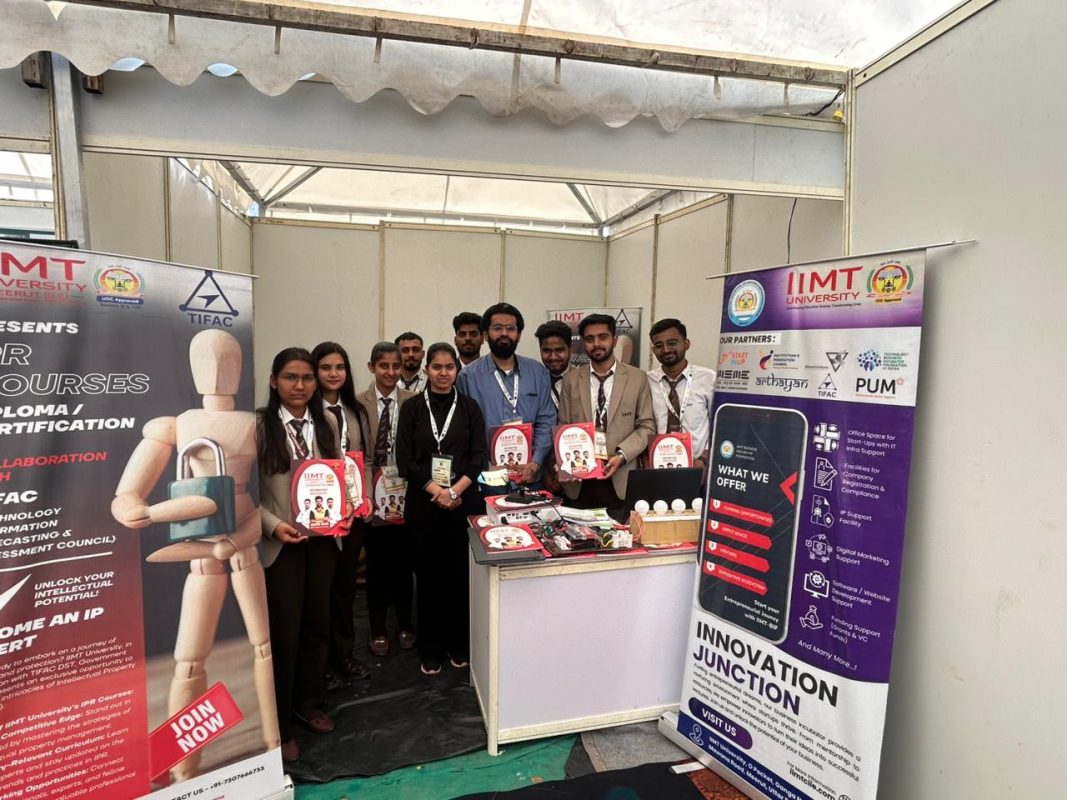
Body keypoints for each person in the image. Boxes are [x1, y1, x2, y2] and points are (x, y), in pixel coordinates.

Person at [257, 347, 344, 763]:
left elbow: (339, 475)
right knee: (285, 631)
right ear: (274, 381)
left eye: (307, 378)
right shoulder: (260, 426)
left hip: (323, 540)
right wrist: (272, 525)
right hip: (282, 544)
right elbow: (243, 491)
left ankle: (309, 703)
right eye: (291, 377)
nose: (300, 385)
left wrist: (346, 510)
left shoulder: (326, 421)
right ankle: (280, 723)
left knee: (318, 623)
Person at [396, 343, 487, 675]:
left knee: (460, 576)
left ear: (457, 371)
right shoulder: (411, 409)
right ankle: (430, 648)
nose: (443, 373)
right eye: (437, 367)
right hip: (424, 504)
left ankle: (459, 644)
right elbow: (405, 460)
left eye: (449, 367)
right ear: (427, 370)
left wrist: (455, 490)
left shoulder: (470, 407)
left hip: (463, 502)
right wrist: (438, 492)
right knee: (428, 576)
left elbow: (479, 456)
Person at [312, 341, 374, 681]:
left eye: (339, 367)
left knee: (346, 588)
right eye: (326, 368)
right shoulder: (308, 412)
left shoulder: (355, 411)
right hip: (321, 515)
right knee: (320, 589)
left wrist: (365, 498)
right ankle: (318, 664)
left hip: (353, 512)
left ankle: (344, 655)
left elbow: (365, 459)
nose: (333, 374)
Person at [557, 314, 655, 517]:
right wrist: (563, 462)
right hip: (579, 479)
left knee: (621, 534)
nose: (596, 344)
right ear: (583, 343)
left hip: (620, 476)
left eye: (603, 337)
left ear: (615, 340)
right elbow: (563, 426)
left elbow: (646, 426)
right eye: (590, 339)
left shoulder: (637, 378)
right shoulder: (571, 380)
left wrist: (621, 456)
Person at [357, 341, 417, 657]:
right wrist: (367, 497)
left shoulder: (412, 402)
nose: (391, 372)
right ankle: (378, 628)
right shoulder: (358, 403)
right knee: (377, 567)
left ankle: (405, 625)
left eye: (396, 366)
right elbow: (360, 456)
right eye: (384, 366)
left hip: (405, 492)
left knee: (404, 565)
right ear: (372, 367)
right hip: (373, 495)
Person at [456, 303, 555, 489]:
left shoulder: (538, 372)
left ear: (519, 334)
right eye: (497, 328)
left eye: (510, 328)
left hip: (531, 477)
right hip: (488, 478)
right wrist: (485, 465)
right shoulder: (468, 377)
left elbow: (547, 419)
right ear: (486, 334)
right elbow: (463, 429)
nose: (504, 333)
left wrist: (535, 461)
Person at [647, 318, 716, 468]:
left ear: (686, 344)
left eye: (672, 343)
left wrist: (704, 459)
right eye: (659, 345)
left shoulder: (709, 379)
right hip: (657, 466)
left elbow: (718, 425)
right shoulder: (646, 381)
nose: (666, 350)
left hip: (698, 465)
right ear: (653, 350)